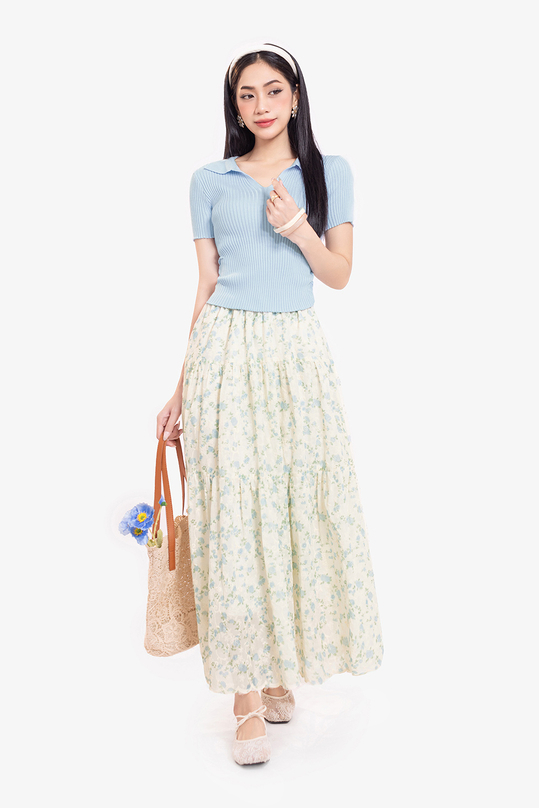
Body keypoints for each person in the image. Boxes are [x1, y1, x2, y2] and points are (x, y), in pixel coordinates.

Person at [156, 42, 384, 765]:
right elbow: (205, 286)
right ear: (234, 106)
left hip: (296, 356)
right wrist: (180, 386)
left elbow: (339, 274)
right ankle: (246, 697)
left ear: (295, 97)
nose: (260, 105)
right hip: (225, 353)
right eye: (246, 94)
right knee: (233, 516)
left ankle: (280, 665)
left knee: (294, 511)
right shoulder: (209, 180)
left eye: (273, 91)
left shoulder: (327, 172)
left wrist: (297, 229)